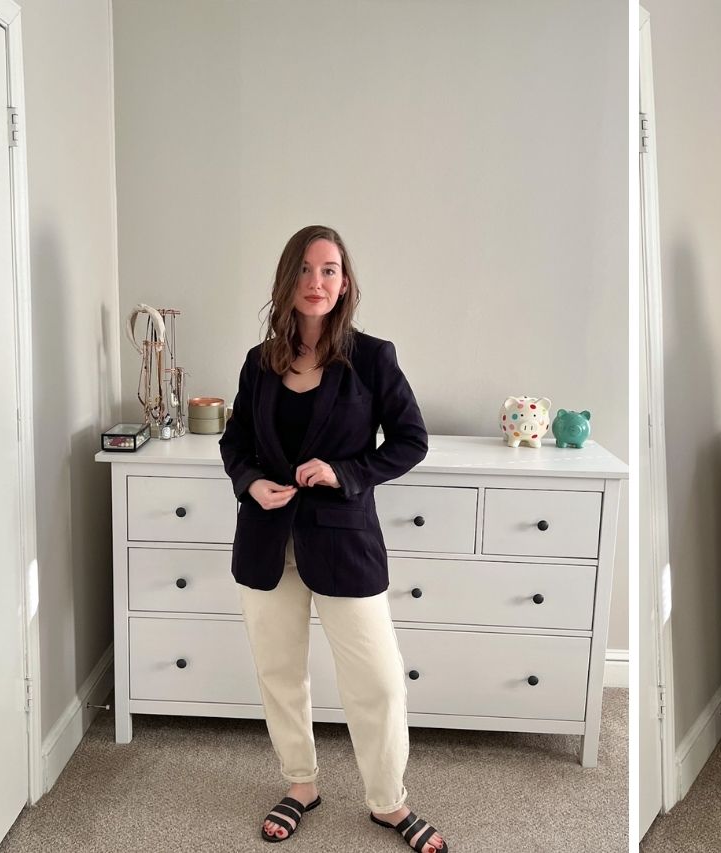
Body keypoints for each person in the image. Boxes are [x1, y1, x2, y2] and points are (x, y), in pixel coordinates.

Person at [220, 225, 449, 851]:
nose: (316, 283)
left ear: (344, 282)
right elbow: (235, 442)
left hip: (344, 540)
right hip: (267, 539)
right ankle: (301, 784)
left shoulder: (373, 357)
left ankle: (388, 803)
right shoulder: (258, 361)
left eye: (329, 270)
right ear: (286, 280)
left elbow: (411, 441)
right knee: (279, 673)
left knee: (376, 679)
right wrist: (250, 483)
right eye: (305, 270)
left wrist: (344, 472)